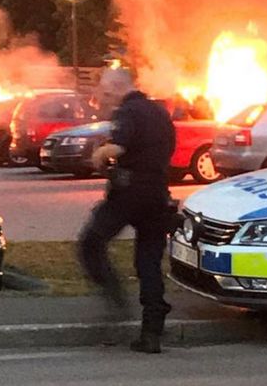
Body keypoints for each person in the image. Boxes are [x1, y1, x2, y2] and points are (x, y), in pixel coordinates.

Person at [79, 82, 177, 354]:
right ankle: (152, 332)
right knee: (148, 262)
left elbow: (118, 148)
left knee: (91, 242)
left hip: (128, 194)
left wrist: (98, 155)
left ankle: (115, 298)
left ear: (117, 91)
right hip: (157, 194)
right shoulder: (160, 113)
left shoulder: (127, 112)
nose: (105, 99)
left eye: (107, 94)